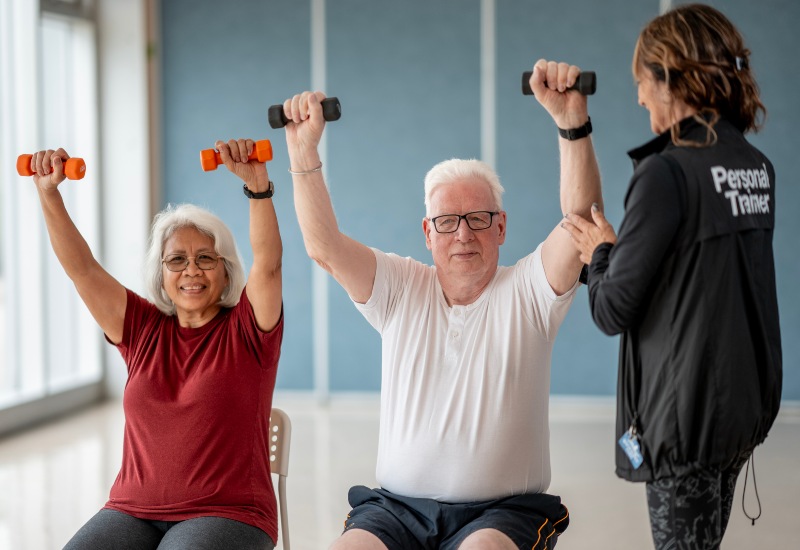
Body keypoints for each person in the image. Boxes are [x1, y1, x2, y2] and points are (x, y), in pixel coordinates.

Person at [280, 58, 602, 550]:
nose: (463, 234)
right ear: (427, 234)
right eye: (448, 222)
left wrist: (571, 122)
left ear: (501, 227)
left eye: (477, 218)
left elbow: (581, 221)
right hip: (396, 509)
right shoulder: (401, 286)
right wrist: (303, 153)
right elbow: (323, 246)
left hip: (502, 513)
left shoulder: (530, 291)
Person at [560, 4, 782, 549]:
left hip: (685, 423)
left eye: (642, 81)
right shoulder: (754, 166)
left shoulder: (666, 173)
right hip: (739, 413)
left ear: (670, 78)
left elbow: (612, 309)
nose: (638, 97)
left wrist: (601, 252)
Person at [26, 139, 284, 550]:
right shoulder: (142, 329)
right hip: (132, 510)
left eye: (206, 258)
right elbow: (82, 270)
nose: (191, 271)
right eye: (176, 259)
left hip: (227, 512)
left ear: (226, 271)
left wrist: (258, 188)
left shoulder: (247, 330)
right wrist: (48, 193)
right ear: (161, 272)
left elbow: (268, 263)